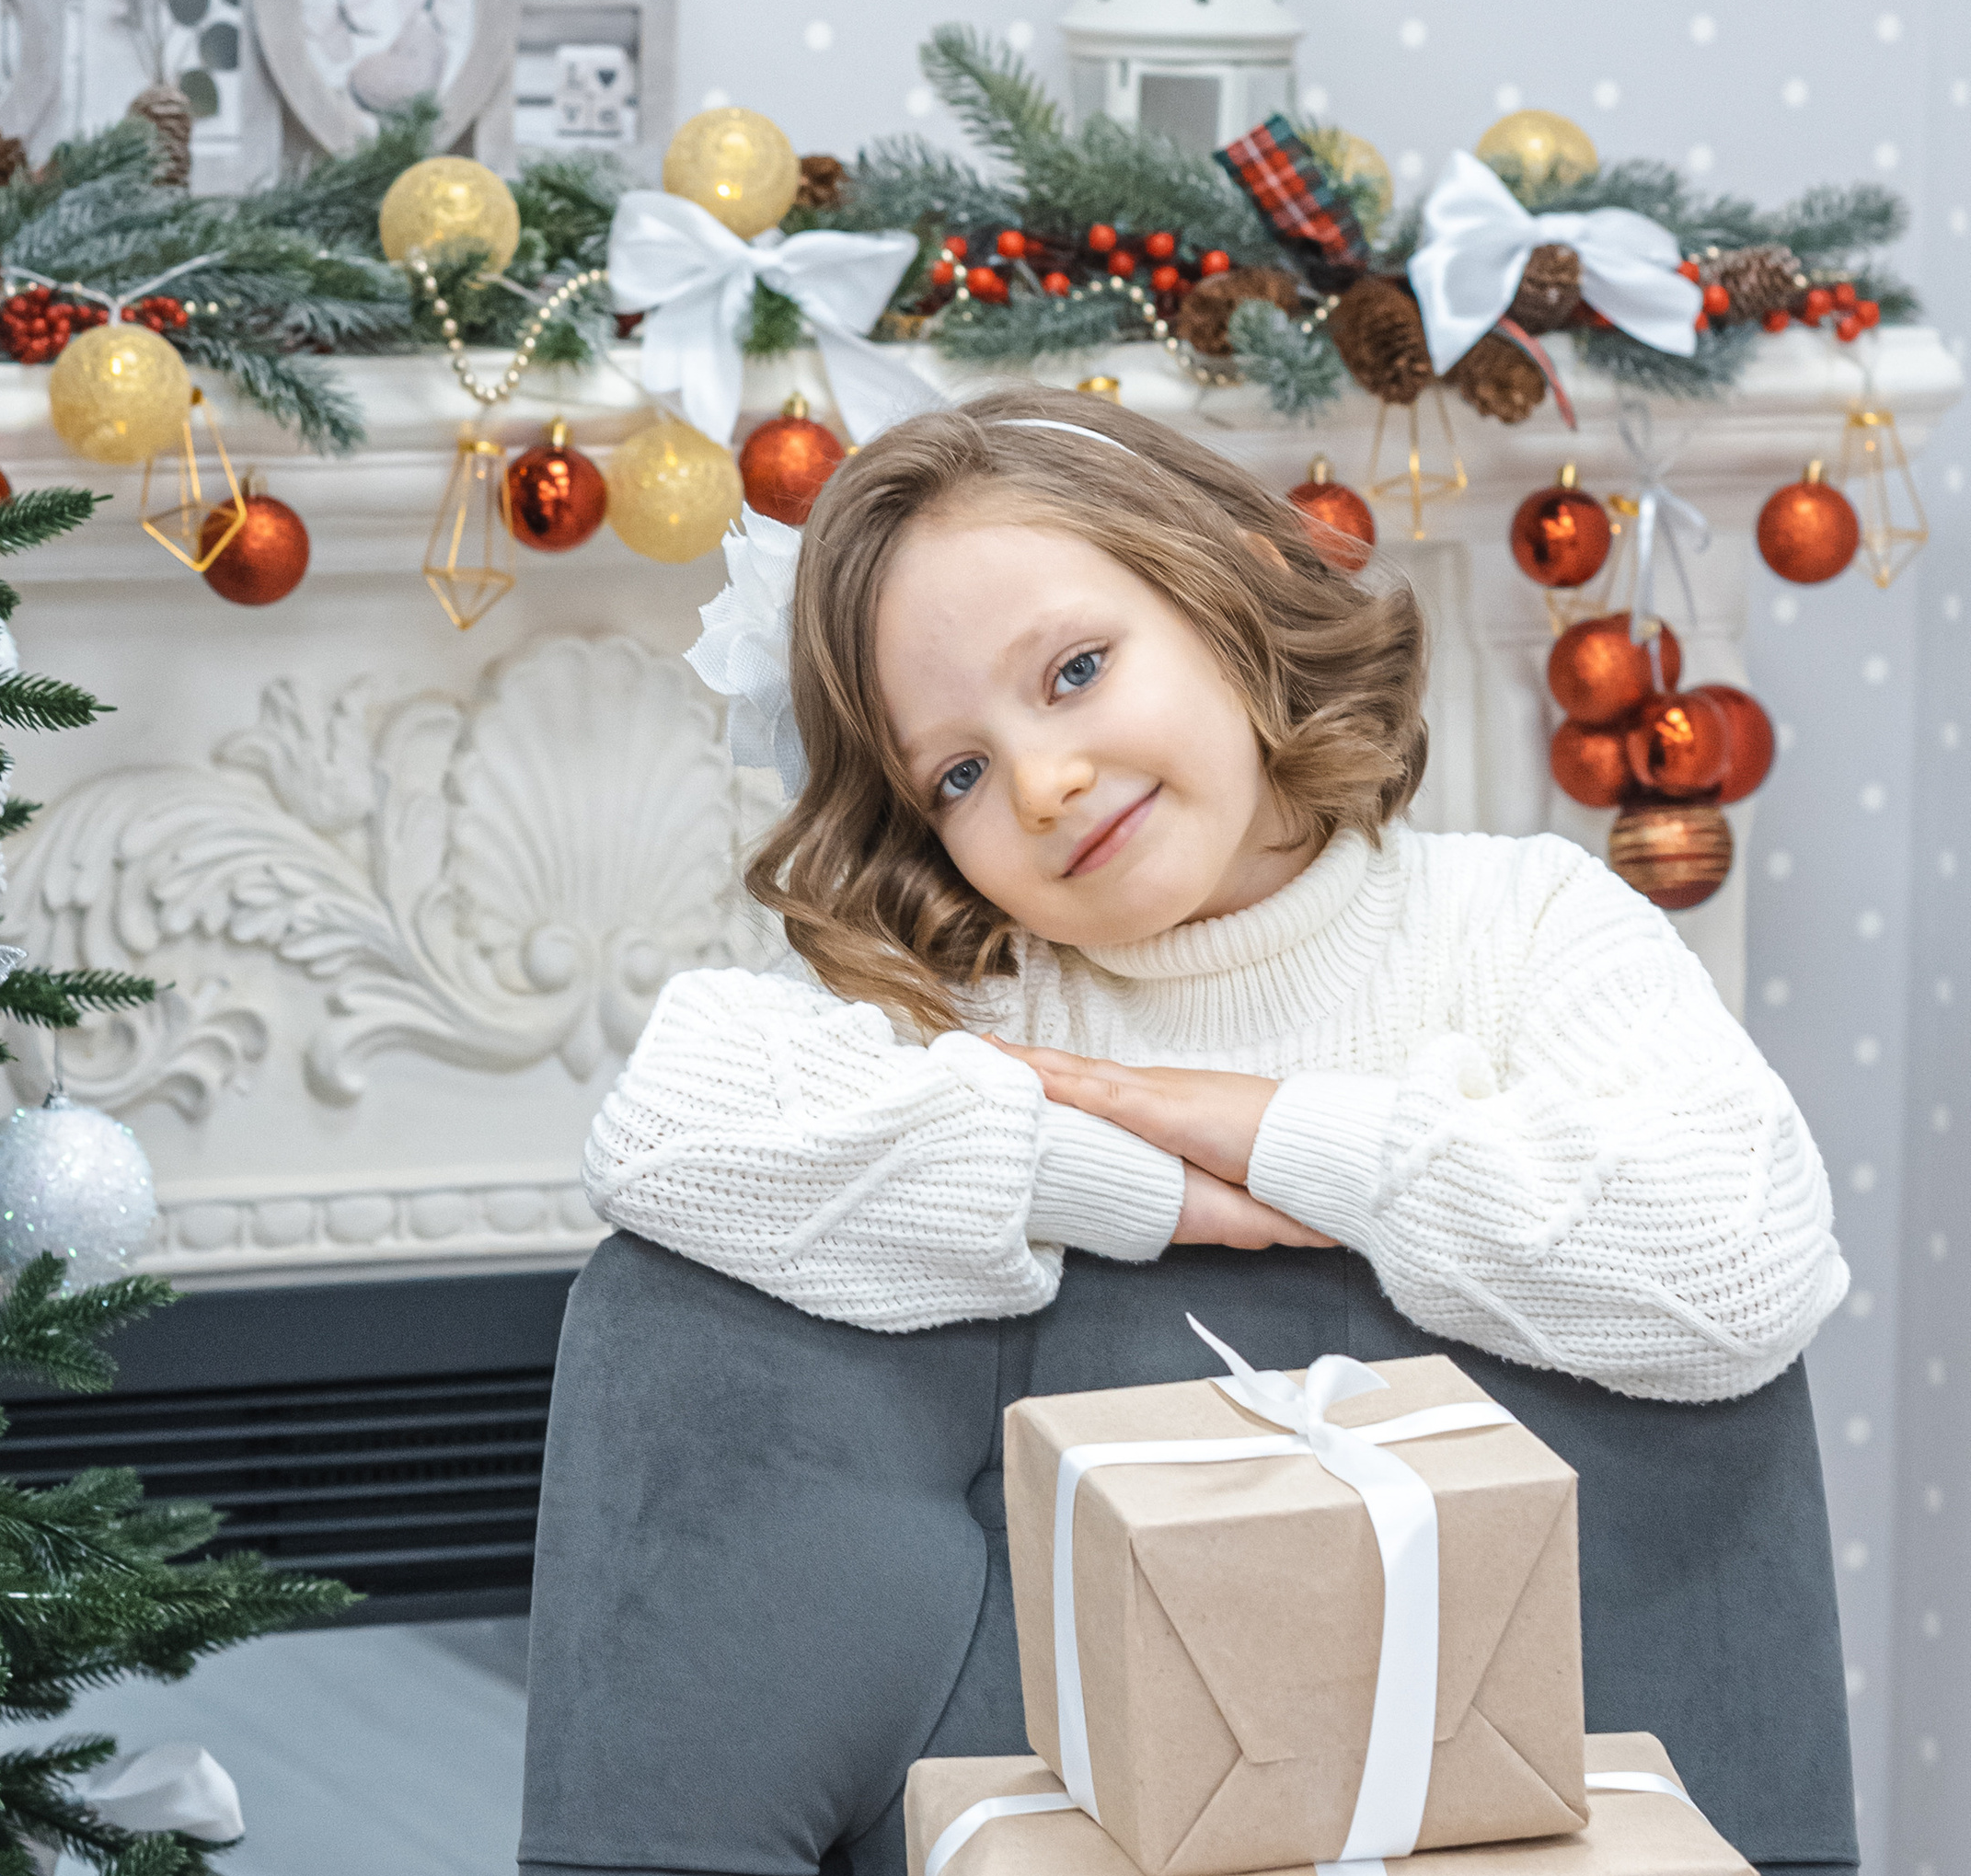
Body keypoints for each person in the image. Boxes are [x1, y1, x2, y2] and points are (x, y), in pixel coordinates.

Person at [584, 386, 1843, 1404]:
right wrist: (1132, 1186)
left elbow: (1741, 1264)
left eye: (1075, 669)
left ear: (1228, 596)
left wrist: (1272, 1127)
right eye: (958, 772)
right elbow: (659, 1132)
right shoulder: (981, 1000)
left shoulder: (1522, 923)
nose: (1041, 783)